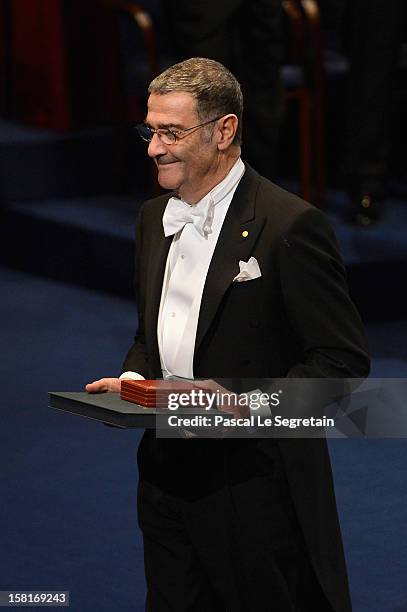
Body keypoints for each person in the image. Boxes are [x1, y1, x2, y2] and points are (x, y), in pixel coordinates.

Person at [86, 58, 370, 611]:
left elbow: (341, 366)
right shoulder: (151, 218)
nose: (153, 148)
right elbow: (154, 334)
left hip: (254, 486)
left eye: (172, 132)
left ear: (224, 131)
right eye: (150, 131)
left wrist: (240, 405)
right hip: (165, 475)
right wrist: (134, 381)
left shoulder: (290, 226)